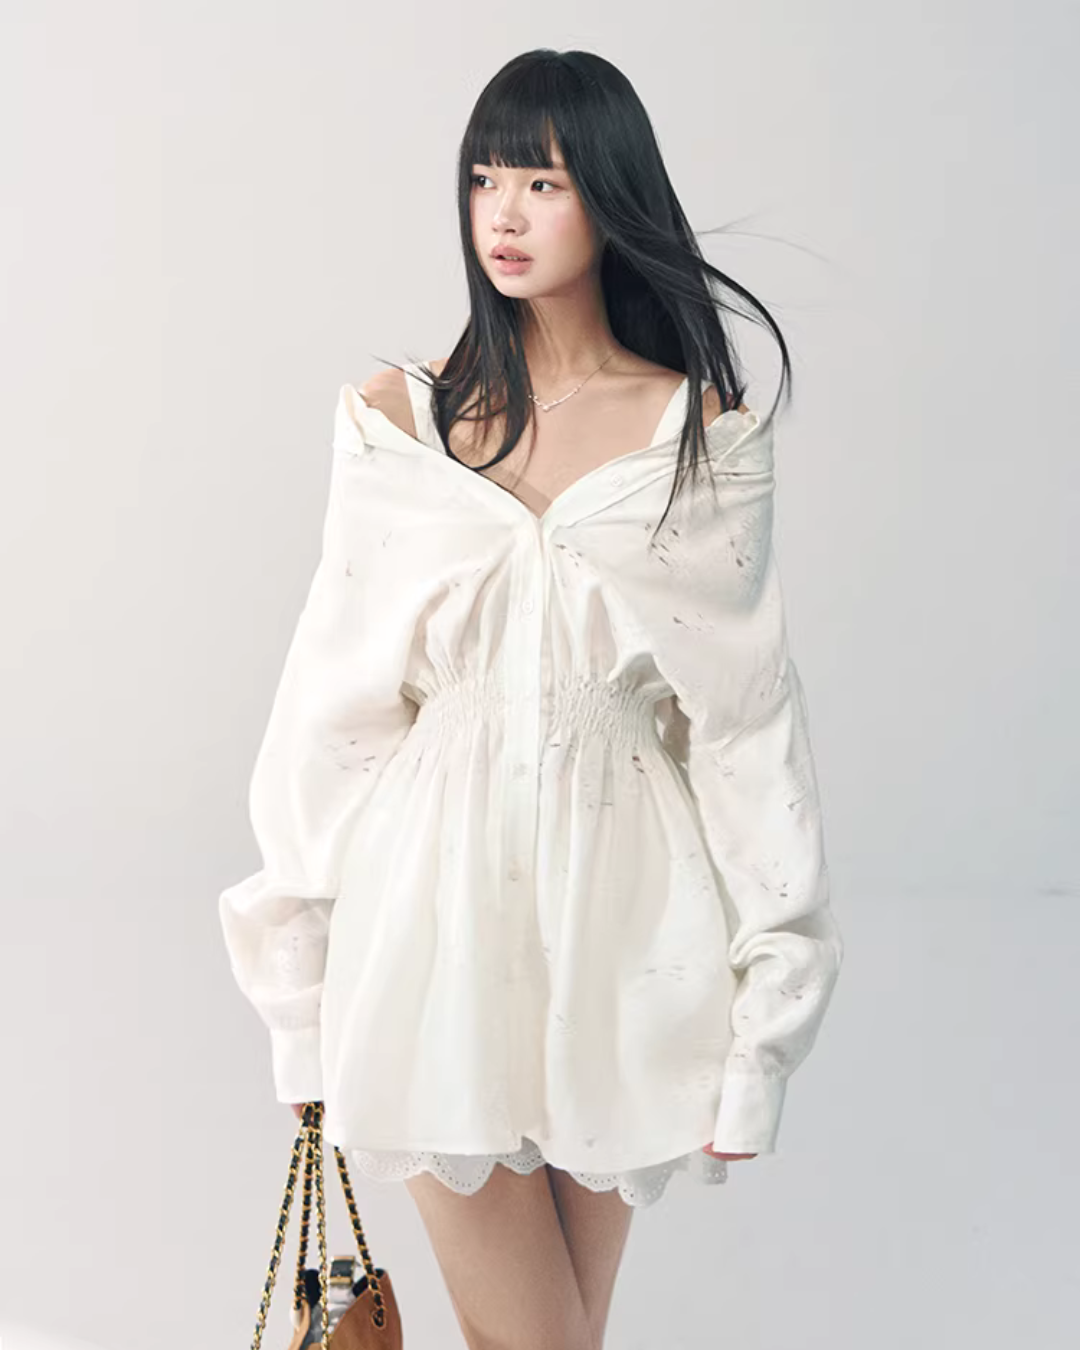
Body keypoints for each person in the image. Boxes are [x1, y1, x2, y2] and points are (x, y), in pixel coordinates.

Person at [219, 47, 844, 1350]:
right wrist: (299, 993)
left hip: (628, 930)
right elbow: (332, 712)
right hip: (432, 919)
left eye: (543, 182)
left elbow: (743, 730)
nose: (502, 213)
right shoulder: (402, 424)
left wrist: (767, 1020)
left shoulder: (699, 436)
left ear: (610, 196)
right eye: (483, 178)